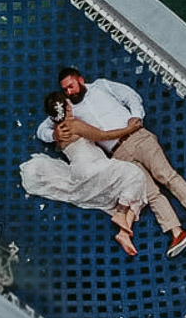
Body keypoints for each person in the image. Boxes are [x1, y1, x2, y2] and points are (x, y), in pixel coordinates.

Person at [36, 65, 186, 260]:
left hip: (138, 137)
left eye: (71, 86)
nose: (69, 92)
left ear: (80, 79)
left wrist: (135, 116)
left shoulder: (101, 86)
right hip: (117, 153)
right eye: (65, 89)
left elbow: (130, 96)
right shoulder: (67, 107)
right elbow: (42, 130)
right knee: (150, 193)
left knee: (166, 175)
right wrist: (53, 134)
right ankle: (176, 232)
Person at [20, 92, 150, 257]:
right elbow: (104, 136)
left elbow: (44, 131)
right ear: (67, 107)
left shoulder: (57, 133)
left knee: (127, 189)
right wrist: (129, 129)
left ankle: (124, 231)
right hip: (93, 166)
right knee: (135, 174)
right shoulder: (74, 125)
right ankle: (122, 213)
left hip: (79, 174)